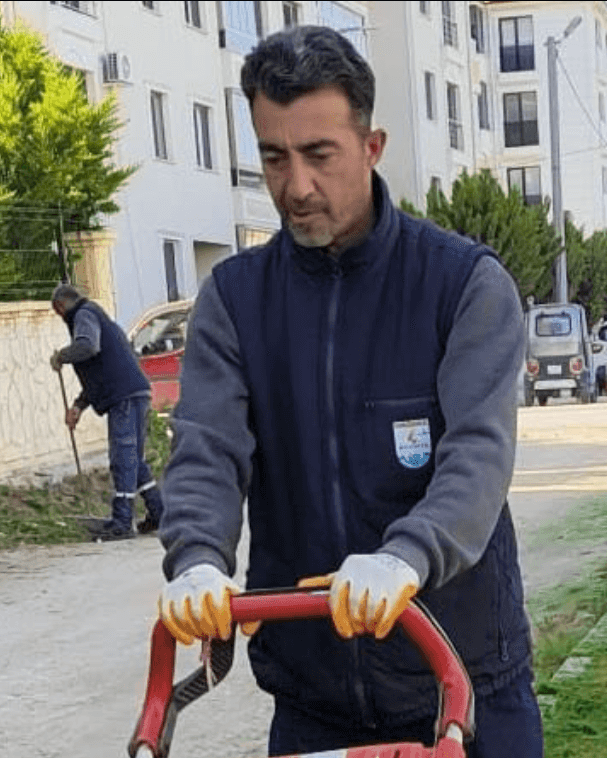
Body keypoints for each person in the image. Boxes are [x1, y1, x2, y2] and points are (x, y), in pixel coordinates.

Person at [152, 25, 541, 758]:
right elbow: (207, 449)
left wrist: (406, 558)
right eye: (274, 157)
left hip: (463, 685)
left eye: (319, 154)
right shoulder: (236, 301)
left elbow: (478, 457)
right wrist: (198, 558)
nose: (295, 186)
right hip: (315, 705)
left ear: (371, 146)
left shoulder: (460, 284)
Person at [48, 283, 164, 541]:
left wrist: (61, 356)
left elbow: (88, 347)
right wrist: (78, 407)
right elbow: (102, 371)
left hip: (123, 397)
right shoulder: (97, 315)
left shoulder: (83, 315)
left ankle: (122, 522)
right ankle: (159, 513)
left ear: (60, 307)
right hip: (136, 391)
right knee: (135, 457)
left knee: (123, 457)